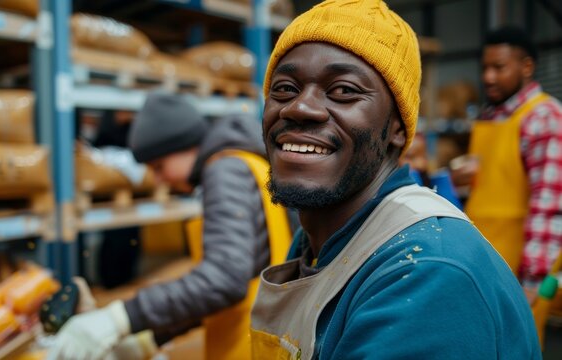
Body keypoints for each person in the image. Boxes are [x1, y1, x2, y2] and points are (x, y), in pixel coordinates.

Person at [249, 1, 541, 359]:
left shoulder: (426, 274)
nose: (299, 107)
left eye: (343, 91)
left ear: (398, 129)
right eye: (284, 89)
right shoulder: (320, 238)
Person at [47, 93, 292, 360]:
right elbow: (233, 282)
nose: (159, 180)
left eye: (159, 166)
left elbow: (223, 280)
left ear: (184, 145)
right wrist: (151, 340)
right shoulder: (244, 163)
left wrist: (120, 318)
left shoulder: (225, 171)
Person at [450, 26, 562, 286]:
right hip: (482, 260)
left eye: (499, 68)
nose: (488, 77)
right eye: (484, 68)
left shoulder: (543, 117)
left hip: (519, 272)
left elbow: (548, 205)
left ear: (526, 67)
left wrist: (533, 279)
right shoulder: (489, 117)